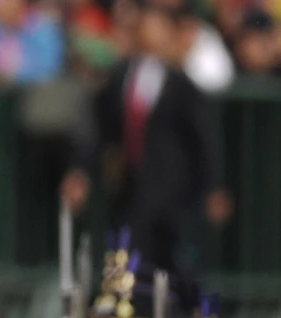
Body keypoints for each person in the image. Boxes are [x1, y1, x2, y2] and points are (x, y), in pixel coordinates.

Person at [62, 0, 226, 284]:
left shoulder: (181, 84)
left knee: (172, 262)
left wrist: (215, 186)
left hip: (172, 190)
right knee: (130, 255)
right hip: (130, 186)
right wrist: (82, 171)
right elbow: (101, 130)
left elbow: (204, 139)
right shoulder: (122, 76)